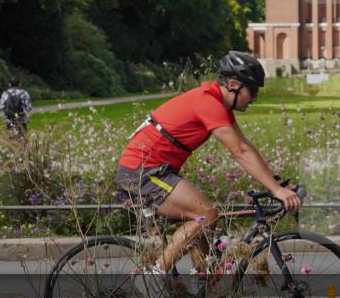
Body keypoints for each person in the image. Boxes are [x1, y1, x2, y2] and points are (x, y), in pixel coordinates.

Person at [115, 51, 301, 274]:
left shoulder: (217, 104)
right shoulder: (208, 103)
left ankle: (202, 284)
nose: (254, 98)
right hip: (142, 172)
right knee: (206, 214)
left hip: (159, 170)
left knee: (205, 225)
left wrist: (276, 183)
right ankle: (155, 277)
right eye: (252, 91)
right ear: (233, 85)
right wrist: (276, 191)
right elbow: (240, 152)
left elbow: (245, 146)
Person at [0, 76, 33, 140]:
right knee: (23, 139)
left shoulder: (5, 93)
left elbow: (0, 107)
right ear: (19, 84)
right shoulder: (24, 93)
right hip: (21, 120)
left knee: (11, 140)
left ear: (9, 84)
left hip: (9, 120)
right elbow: (29, 107)